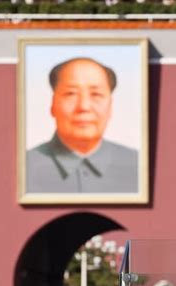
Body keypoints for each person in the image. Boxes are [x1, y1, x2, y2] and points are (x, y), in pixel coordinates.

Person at [26, 57, 138, 194]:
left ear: (110, 107)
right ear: (53, 105)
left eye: (96, 94)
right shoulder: (23, 168)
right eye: (71, 94)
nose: (84, 106)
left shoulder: (139, 166)